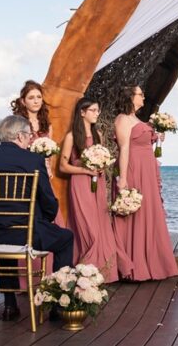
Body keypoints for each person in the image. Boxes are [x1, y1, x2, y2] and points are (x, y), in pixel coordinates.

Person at [0, 115, 74, 322]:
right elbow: (48, 200)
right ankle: (57, 304)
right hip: (25, 235)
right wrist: (46, 219)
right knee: (66, 238)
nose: (30, 140)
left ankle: (10, 305)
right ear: (19, 136)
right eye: (29, 136)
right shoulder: (33, 160)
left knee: (3, 235)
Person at [58, 97, 132, 282]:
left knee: (101, 225)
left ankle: (102, 271)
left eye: (97, 110)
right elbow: (62, 167)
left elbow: (104, 157)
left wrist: (101, 166)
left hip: (97, 184)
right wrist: (85, 169)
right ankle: (86, 270)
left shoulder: (98, 133)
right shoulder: (72, 136)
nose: (96, 113)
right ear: (82, 112)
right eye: (92, 110)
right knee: (87, 227)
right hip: (80, 184)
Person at [113, 86, 178, 281]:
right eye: (140, 94)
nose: (144, 96)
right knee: (136, 212)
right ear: (130, 97)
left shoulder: (136, 119)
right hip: (135, 168)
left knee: (150, 211)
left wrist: (158, 138)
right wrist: (123, 179)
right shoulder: (123, 119)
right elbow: (124, 148)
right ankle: (135, 265)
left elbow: (142, 142)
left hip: (148, 169)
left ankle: (152, 262)